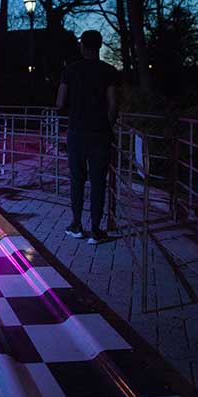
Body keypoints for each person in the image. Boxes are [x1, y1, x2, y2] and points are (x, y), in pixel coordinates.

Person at [56, 29, 119, 244]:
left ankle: (76, 224)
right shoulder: (109, 71)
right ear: (100, 46)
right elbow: (113, 105)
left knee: (77, 179)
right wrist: (106, 125)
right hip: (100, 133)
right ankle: (95, 230)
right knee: (99, 181)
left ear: (82, 46)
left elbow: (60, 103)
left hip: (76, 131)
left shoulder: (70, 71)